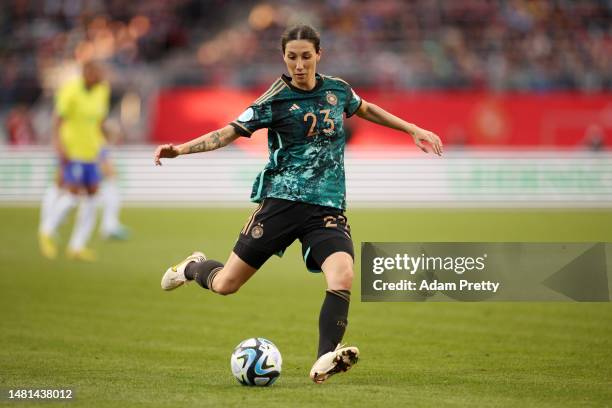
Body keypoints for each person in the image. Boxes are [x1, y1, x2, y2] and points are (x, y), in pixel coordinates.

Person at [154, 24, 443, 383]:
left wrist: (412, 128)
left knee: (344, 274)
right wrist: (181, 149)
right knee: (226, 283)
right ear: (284, 58)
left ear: (319, 55)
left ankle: (325, 359)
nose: (300, 64)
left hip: (326, 209)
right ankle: (193, 267)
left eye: (306, 56)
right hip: (281, 205)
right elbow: (228, 131)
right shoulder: (273, 100)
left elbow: (367, 109)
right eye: (292, 57)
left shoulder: (338, 90)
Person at [38, 61, 110, 261]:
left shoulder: (102, 90)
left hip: (91, 152)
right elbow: (57, 121)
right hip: (72, 151)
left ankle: (77, 246)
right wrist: (59, 146)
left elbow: (99, 121)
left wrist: (105, 144)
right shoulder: (70, 91)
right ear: (86, 73)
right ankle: (47, 230)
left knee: (93, 196)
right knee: (73, 194)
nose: (101, 77)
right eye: (97, 73)